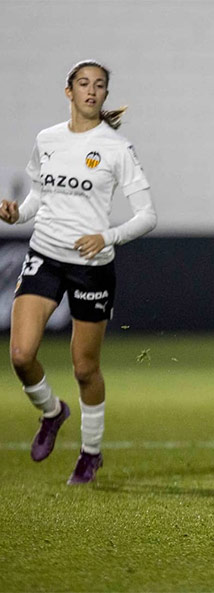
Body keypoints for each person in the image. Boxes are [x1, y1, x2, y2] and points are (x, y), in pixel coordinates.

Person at [0, 60, 157, 485]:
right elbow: (37, 199)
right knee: (21, 355)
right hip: (45, 255)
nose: (91, 90)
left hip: (91, 268)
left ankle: (90, 453)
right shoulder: (47, 140)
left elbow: (147, 215)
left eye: (99, 85)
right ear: (68, 91)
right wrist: (16, 215)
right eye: (83, 83)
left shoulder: (116, 148)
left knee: (85, 369)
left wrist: (107, 237)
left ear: (105, 94)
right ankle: (52, 412)